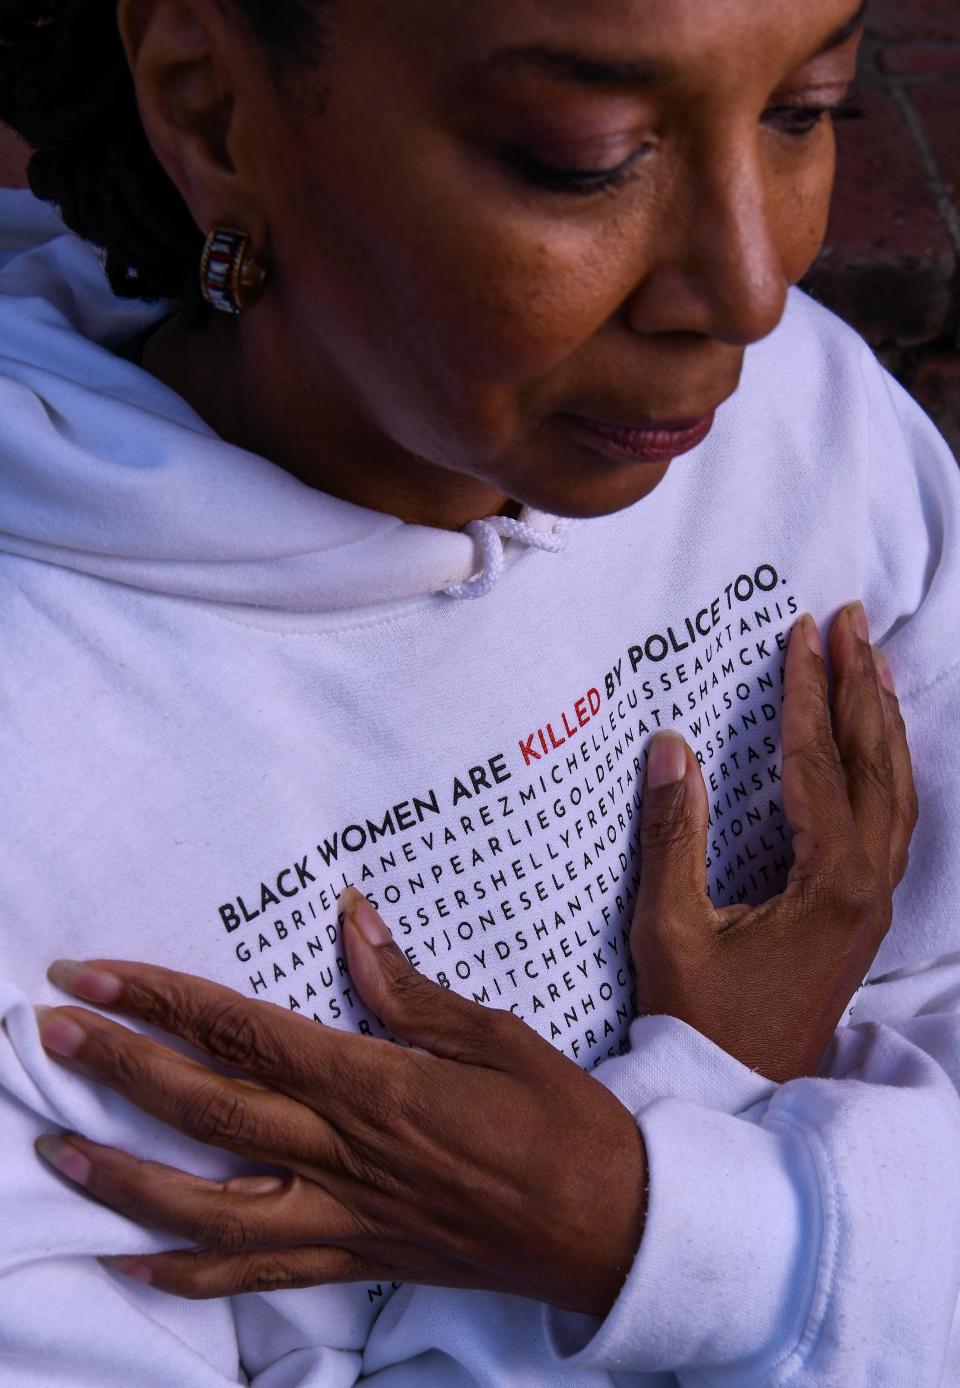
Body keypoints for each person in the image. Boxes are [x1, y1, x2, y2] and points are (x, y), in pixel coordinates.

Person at [1, 0, 959, 1383]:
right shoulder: (47, 767)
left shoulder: (799, 419)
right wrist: (700, 1142)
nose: (752, 287)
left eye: (803, 111)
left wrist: (659, 1217)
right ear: (212, 108)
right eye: (587, 157)